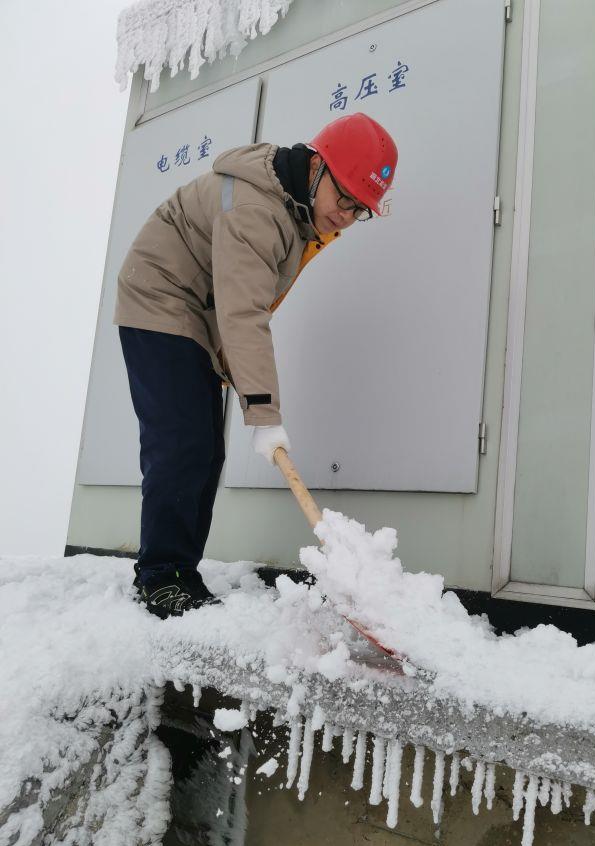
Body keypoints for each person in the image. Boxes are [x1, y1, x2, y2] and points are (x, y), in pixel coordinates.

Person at [113, 112, 399, 619]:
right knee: (181, 441)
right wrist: (264, 412)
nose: (348, 217)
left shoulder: (296, 209)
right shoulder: (257, 209)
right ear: (317, 167)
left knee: (204, 451)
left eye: (362, 210)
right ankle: (160, 575)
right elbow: (244, 311)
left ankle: (180, 571)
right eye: (345, 200)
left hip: (198, 311)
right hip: (158, 298)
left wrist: (234, 369)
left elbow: (237, 302)